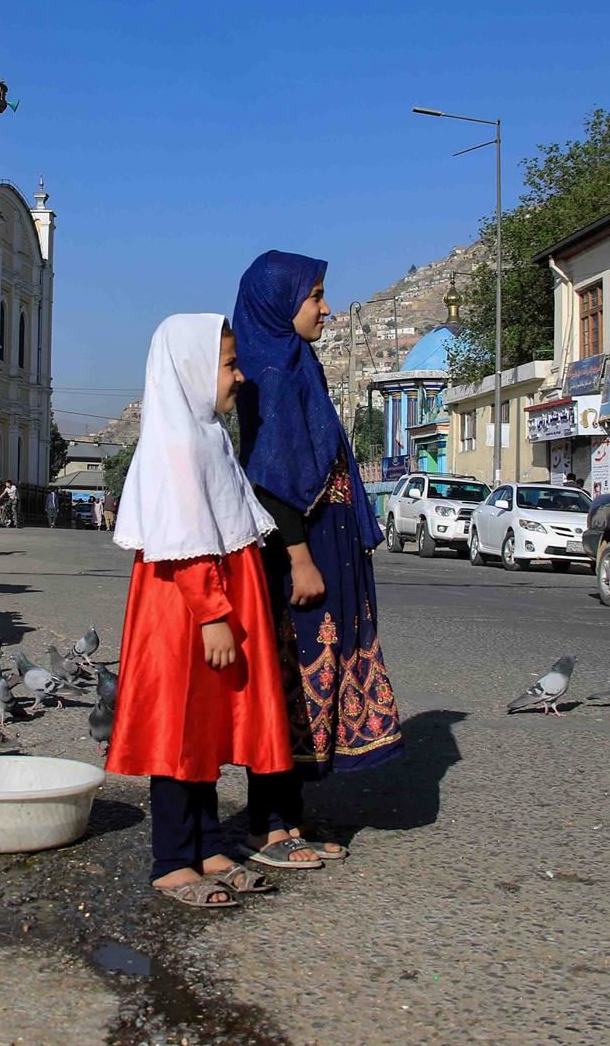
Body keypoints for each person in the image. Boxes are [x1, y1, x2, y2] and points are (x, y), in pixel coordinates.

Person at [108, 313, 294, 908]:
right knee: (178, 730)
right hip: (186, 608)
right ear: (191, 369)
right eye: (229, 365)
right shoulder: (176, 441)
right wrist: (213, 612)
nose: (238, 377)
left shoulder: (206, 432)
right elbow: (183, 532)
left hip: (212, 598)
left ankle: (208, 845)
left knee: (205, 727)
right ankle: (171, 859)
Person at [234, 251, 402, 869]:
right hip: (296, 544)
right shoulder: (270, 370)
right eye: (317, 297)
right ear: (282, 303)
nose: (326, 309)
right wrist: (302, 558)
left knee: (315, 675)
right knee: (290, 677)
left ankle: (289, 819)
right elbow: (273, 480)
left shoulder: (299, 364)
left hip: (327, 540)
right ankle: (265, 826)